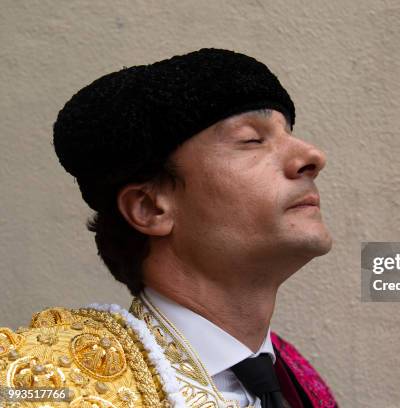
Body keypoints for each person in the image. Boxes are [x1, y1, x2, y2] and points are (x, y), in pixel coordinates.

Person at [0, 48, 337, 408]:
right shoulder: (47, 383)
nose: (312, 157)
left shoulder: (298, 378)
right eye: (252, 139)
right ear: (151, 207)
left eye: (288, 133)